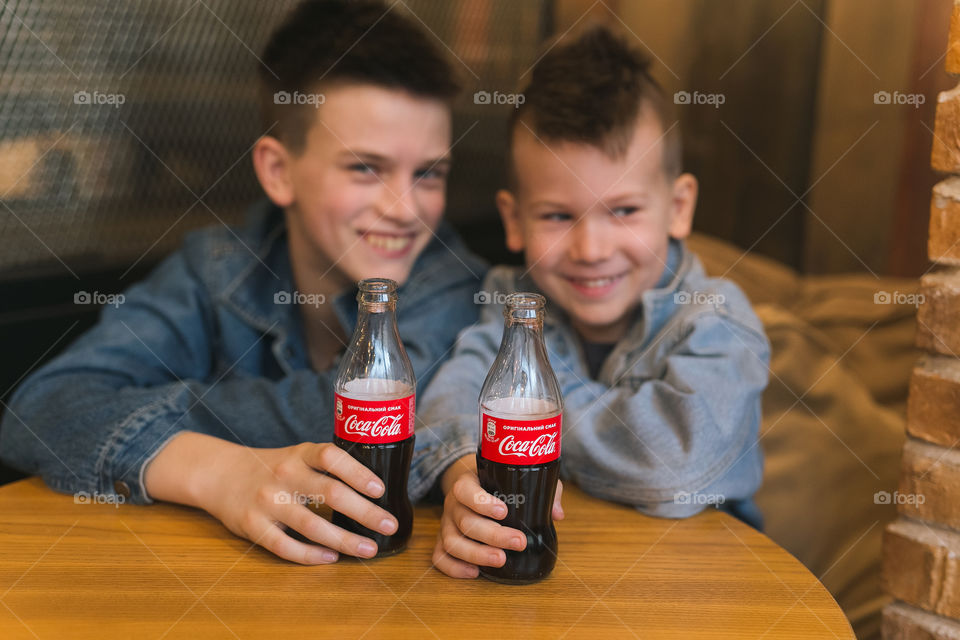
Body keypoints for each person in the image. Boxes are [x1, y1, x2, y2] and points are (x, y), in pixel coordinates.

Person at [0, 0, 486, 565]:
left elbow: (361, 416)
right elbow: (42, 409)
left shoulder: (454, 280)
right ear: (278, 172)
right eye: (365, 168)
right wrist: (214, 470)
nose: (404, 208)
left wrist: (152, 425)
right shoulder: (215, 266)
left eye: (429, 173)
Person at [425, 25, 771, 579]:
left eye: (624, 211)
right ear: (513, 220)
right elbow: (450, 400)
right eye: (559, 216)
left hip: (700, 585)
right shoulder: (514, 301)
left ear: (678, 207)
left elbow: (672, 464)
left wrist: (522, 431)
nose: (591, 249)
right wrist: (464, 470)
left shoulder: (717, 319)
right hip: (569, 577)